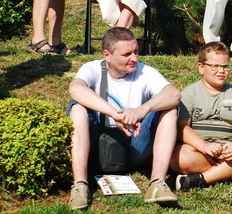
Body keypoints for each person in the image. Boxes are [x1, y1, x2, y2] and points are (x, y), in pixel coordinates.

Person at [67, 27, 180, 209]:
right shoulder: (93, 69)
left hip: (133, 144)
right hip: (96, 145)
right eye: (127, 54)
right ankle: (80, 185)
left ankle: (157, 183)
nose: (134, 58)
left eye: (136, 51)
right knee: (77, 107)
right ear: (107, 55)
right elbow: (75, 89)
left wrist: (143, 109)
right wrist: (114, 114)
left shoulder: (144, 72)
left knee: (170, 109)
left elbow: (174, 94)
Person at [171, 42, 232, 191]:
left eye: (225, 66)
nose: (221, 71)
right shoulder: (189, 93)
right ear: (201, 68)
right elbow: (182, 127)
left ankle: (201, 179)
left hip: (229, 151)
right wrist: (203, 146)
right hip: (199, 151)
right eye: (214, 66)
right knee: (178, 158)